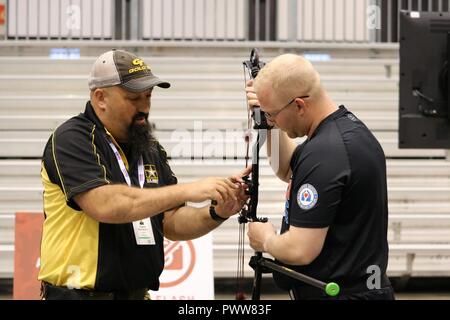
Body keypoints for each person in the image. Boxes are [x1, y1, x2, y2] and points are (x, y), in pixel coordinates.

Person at [38, 49, 248, 300]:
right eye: (133, 98)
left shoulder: (148, 147)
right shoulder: (73, 138)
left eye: (148, 96)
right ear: (100, 97)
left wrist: (218, 211)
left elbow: (170, 222)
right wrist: (188, 189)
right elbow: (104, 204)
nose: (145, 107)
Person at [246, 54, 394, 300]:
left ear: (299, 106)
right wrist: (269, 120)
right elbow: (286, 170)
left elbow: (300, 250)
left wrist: (266, 240)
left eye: (272, 115)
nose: (271, 121)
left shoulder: (326, 153)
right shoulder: (340, 132)